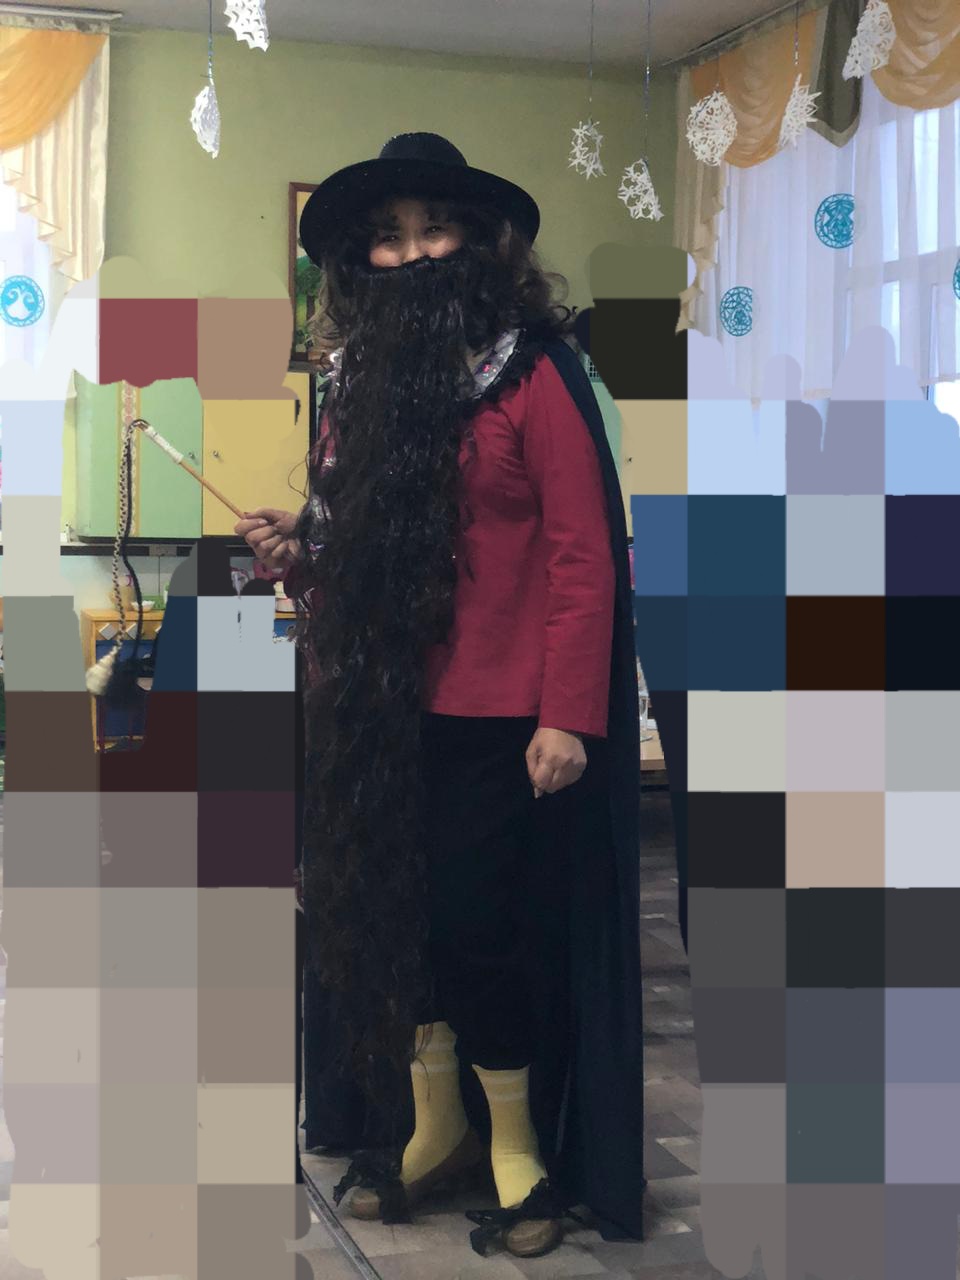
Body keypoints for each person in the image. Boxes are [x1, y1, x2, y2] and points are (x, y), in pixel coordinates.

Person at [236, 132, 645, 1260]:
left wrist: (569, 713)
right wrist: (301, 545)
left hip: (502, 716)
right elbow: (353, 539)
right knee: (394, 920)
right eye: (389, 235)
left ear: (478, 243)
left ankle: (515, 1141)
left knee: (480, 931)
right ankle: (436, 1122)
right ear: (359, 259)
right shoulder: (353, 388)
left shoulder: (534, 373)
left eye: (434, 228)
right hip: (378, 707)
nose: (412, 252)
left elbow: (583, 555)